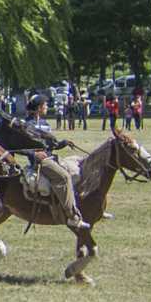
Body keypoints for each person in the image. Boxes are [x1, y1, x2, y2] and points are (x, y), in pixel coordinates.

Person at [23, 95, 89, 229]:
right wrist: (34, 154)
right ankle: (72, 216)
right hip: (41, 162)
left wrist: (63, 143)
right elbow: (21, 147)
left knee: (80, 167)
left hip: (52, 158)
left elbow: (51, 145)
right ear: (39, 108)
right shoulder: (27, 125)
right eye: (45, 105)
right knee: (64, 176)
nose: (47, 107)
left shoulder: (45, 124)